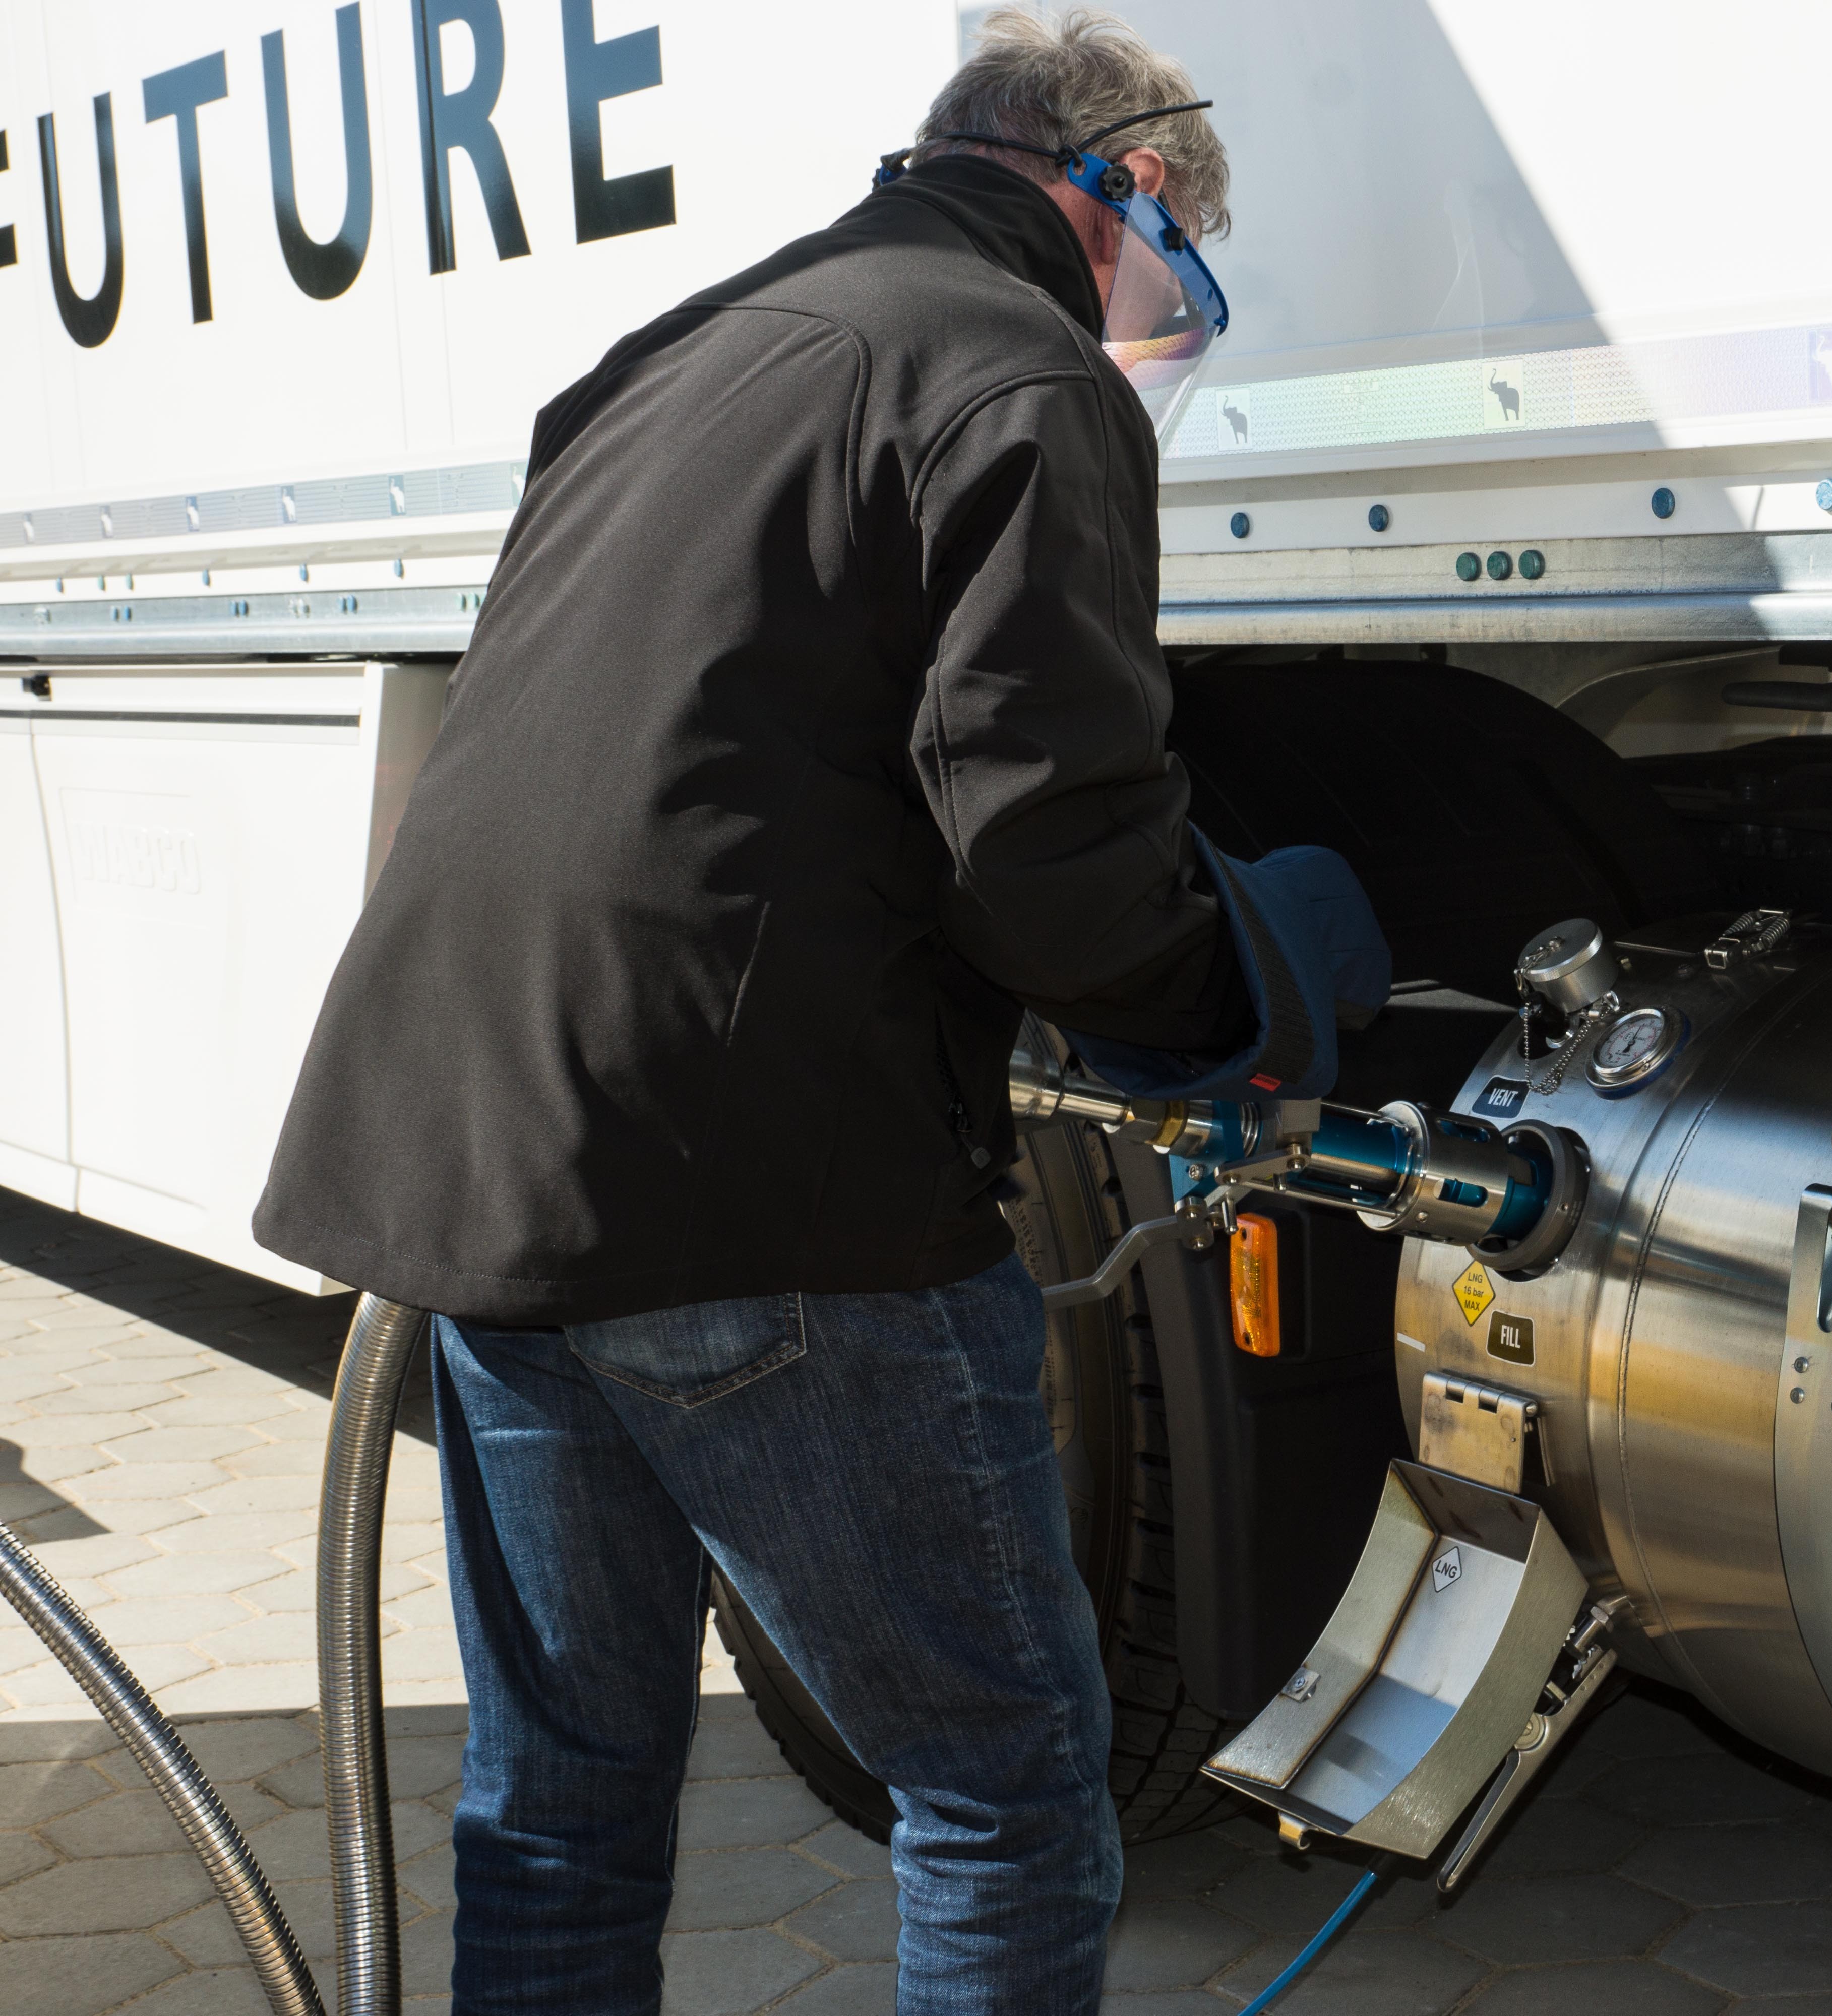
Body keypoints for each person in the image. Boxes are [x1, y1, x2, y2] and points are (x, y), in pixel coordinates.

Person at [252, 12, 1380, 2012]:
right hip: (759, 1197)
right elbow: (1054, 856)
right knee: (1005, 1788)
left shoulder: (680, 352)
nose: (1164, 324)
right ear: (1102, 189)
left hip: (482, 1169)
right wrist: (1260, 995)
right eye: (1178, 267)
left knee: (561, 1797)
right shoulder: (1022, 373)